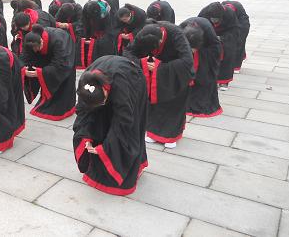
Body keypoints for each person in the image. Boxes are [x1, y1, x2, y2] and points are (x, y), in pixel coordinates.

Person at [73, 56, 148, 195]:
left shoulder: (122, 86)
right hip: (107, 74)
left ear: (105, 92)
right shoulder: (85, 84)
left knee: (130, 126)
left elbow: (124, 121)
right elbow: (83, 112)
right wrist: (85, 137)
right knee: (100, 118)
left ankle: (132, 164)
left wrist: (106, 147)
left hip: (133, 81)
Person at [124, 23, 194, 148]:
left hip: (175, 73)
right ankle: (153, 132)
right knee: (155, 104)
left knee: (173, 105)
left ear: (161, 39)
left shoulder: (176, 34)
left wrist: (160, 67)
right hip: (154, 73)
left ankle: (172, 136)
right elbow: (128, 52)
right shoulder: (143, 33)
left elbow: (187, 61)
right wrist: (141, 62)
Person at [20, 25, 76, 120]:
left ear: (41, 41)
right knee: (44, 71)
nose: (35, 50)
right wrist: (23, 70)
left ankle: (64, 108)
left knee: (63, 80)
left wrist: (41, 73)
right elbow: (24, 58)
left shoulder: (59, 41)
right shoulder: (29, 40)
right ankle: (45, 100)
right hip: (52, 51)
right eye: (33, 48)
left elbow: (60, 65)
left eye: (37, 47)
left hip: (64, 53)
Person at [180, 18, 223, 117]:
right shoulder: (181, 29)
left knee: (204, 77)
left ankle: (200, 105)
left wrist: (200, 54)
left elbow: (216, 48)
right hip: (189, 48)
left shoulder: (208, 30)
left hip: (207, 53)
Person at [198, 2, 241, 90]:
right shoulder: (204, 12)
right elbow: (198, 26)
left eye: (216, 19)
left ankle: (224, 81)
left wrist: (222, 38)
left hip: (225, 35)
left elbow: (234, 30)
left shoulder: (229, 13)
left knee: (228, 53)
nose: (215, 21)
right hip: (209, 32)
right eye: (213, 19)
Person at [79, 0, 117, 68]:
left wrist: (100, 41)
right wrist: (85, 38)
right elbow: (83, 23)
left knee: (107, 41)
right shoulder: (85, 9)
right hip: (94, 9)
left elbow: (109, 30)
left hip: (109, 5)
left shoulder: (105, 12)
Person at [222, 0, 250, 74]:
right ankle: (241, 55)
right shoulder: (221, 8)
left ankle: (236, 66)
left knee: (239, 43)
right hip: (229, 20)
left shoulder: (242, 20)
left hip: (242, 23)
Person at [54, 2, 84, 68]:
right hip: (66, 28)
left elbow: (81, 22)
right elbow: (55, 20)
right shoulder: (61, 10)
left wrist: (69, 25)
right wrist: (58, 24)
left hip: (76, 29)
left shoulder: (78, 9)